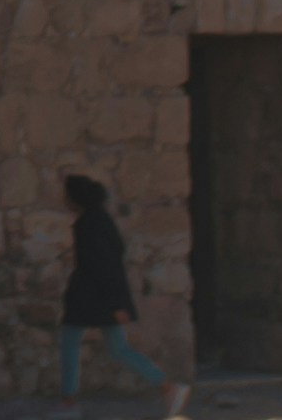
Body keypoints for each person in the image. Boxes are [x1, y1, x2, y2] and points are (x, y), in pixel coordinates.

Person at [58, 175, 192, 416]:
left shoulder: (89, 225)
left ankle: (69, 404)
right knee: (116, 348)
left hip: (92, 298)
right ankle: (167, 387)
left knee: (72, 343)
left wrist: (117, 303)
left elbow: (105, 266)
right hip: (99, 298)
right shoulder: (101, 221)